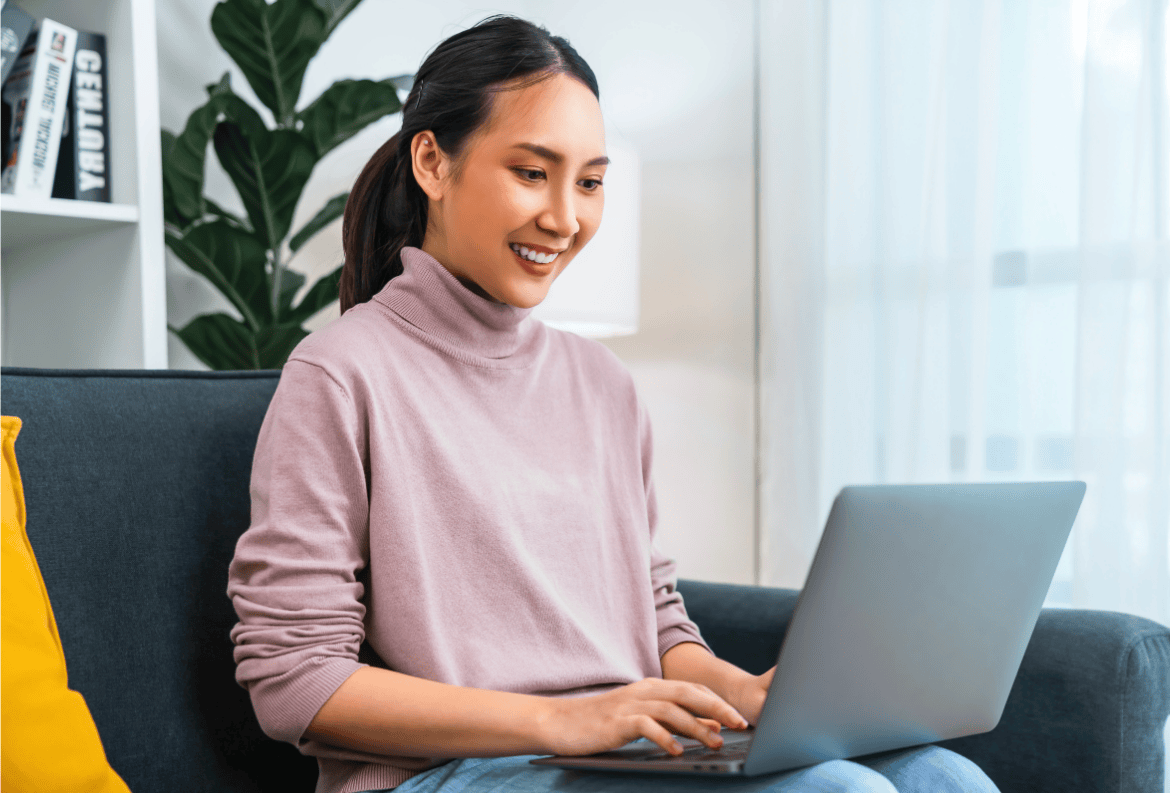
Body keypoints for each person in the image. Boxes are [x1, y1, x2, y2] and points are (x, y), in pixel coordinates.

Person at [226, 14, 1002, 793]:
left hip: (608, 756)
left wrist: (747, 694)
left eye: (590, 182)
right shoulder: (339, 373)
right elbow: (295, 677)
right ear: (432, 161)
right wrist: (563, 720)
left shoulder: (602, 383)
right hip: (454, 773)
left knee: (946, 777)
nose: (564, 218)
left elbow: (655, 618)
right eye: (531, 173)